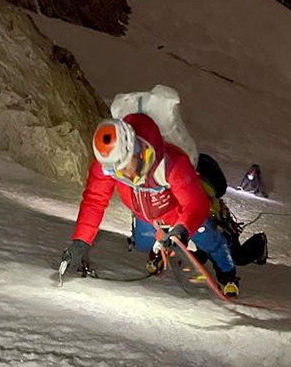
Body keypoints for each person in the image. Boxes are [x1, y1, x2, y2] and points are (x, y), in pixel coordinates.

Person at [60, 114, 240, 297]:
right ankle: (158, 253)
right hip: (145, 215)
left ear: (135, 150)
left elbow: (196, 203)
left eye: (123, 165)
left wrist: (183, 229)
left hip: (179, 215)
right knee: (145, 242)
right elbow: (94, 200)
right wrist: (81, 241)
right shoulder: (108, 164)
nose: (121, 173)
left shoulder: (172, 163)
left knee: (210, 241)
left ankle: (227, 275)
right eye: (113, 171)